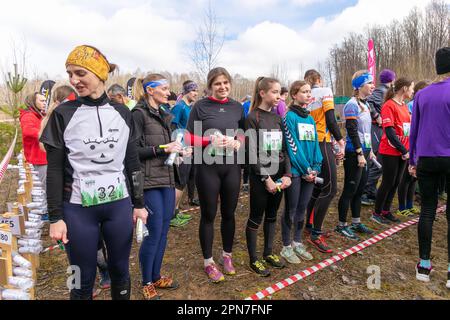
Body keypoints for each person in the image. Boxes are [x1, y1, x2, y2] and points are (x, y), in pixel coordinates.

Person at [40, 45, 148, 300]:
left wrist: (139, 203)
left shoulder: (123, 113)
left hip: (118, 206)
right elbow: (54, 169)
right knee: (79, 278)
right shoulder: (63, 114)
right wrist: (55, 217)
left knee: (121, 270)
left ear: (99, 73)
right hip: (77, 210)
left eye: (80, 73)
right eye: (69, 74)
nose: (73, 80)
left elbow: (131, 161)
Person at [132, 73, 191, 299]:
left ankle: (156, 276)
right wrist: (162, 149)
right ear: (150, 90)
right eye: (164, 88)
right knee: (153, 233)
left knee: (164, 231)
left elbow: (166, 146)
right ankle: (146, 281)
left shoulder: (163, 114)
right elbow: (133, 152)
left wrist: (178, 151)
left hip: (167, 178)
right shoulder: (138, 114)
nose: (169, 92)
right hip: (148, 183)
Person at [186, 67, 245, 283]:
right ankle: (208, 262)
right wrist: (208, 140)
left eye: (225, 83)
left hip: (231, 167)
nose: (222, 87)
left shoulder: (237, 107)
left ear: (230, 84)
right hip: (207, 167)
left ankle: (227, 256)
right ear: (211, 86)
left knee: (229, 213)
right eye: (217, 83)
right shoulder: (200, 106)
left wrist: (238, 142)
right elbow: (188, 137)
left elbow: (243, 133)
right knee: (209, 214)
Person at [409, 47, 450, 287]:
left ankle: (424, 265)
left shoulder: (422, 95)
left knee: (427, 210)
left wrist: (413, 160)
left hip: (426, 157)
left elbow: (414, 130)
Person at [245, 77, 292, 276]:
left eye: (279, 93)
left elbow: (285, 149)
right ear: (262, 93)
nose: (278, 97)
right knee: (257, 217)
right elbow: (250, 153)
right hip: (261, 177)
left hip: (279, 175)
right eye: (274, 92)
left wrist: (288, 174)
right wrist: (266, 179)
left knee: (272, 216)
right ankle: (254, 259)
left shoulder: (277, 118)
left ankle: (268, 253)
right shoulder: (252, 118)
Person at [304, 70, 345, 254]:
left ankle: (309, 225)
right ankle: (316, 233)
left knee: (317, 187)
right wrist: (340, 140)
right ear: (319, 80)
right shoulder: (324, 91)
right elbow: (331, 118)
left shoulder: (306, 95)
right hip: (322, 142)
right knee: (330, 189)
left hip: (309, 143)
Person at [281, 80, 322, 264]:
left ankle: (297, 242)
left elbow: (315, 145)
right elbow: (292, 147)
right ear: (294, 94)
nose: (308, 95)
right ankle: (286, 246)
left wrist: (316, 167)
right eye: (304, 92)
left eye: (309, 92)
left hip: (310, 172)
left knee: (302, 209)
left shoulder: (311, 118)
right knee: (291, 209)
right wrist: (306, 169)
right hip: (297, 171)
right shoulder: (289, 117)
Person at [336, 71, 376, 241]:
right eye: (370, 83)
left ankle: (356, 221)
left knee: (360, 189)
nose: (373, 86)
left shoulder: (365, 104)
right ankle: (341, 225)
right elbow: (351, 130)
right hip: (354, 152)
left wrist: (370, 150)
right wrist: (360, 153)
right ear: (360, 86)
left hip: (365, 151)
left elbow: (366, 130)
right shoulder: (352, 104)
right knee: (350, 189)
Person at [371, 77, 414, 225]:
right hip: (390, 150)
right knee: (388, 182)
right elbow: (389, 131)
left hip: (403, 150)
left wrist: (407, 149)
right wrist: (403, 150)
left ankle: (386, 210)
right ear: (404, 89)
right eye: (412, 88)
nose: (413, 91)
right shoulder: (389, 105)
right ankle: (376, 212)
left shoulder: (404, 105)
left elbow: (407, 130)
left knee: (396, 182)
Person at [396, 80, 431, 217]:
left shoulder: (425, 103)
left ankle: (410, 205)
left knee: (413, 178)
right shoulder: (411, 105)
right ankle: (401, 206)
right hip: (409, 143)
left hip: (419, 145)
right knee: (405, 177)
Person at [361, 69, 396, 206]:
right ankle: (367, 191)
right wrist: (377, 116)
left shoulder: (384, 91)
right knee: (376, 159)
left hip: (379, 129)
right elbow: (367, 102)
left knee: (375, 160)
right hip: (375, 129)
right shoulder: (380, 91)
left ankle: (369, 189)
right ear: (391, 80)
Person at [171, 80, 200, 225]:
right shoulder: (179, 107)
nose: (196, 93)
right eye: (193, 90)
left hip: (189, 150)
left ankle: (176, 211)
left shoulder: (189, 107)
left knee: (183, 182)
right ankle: (171, 215)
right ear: (186, 91)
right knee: (179, 182)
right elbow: (172, 128)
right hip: (180, 151)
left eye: (196, 91)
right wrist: (178, 149)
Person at [20, 92, 48, 190]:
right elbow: (28, 131)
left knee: (49, 188)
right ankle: (48, 206)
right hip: (39, 159)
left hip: (44, 157)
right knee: (47, 189)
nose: (45, 103)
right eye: (42, 101)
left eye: (45, 101)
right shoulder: (28, 116)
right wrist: (48, 134)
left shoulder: (40, 115)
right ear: (33, 102)